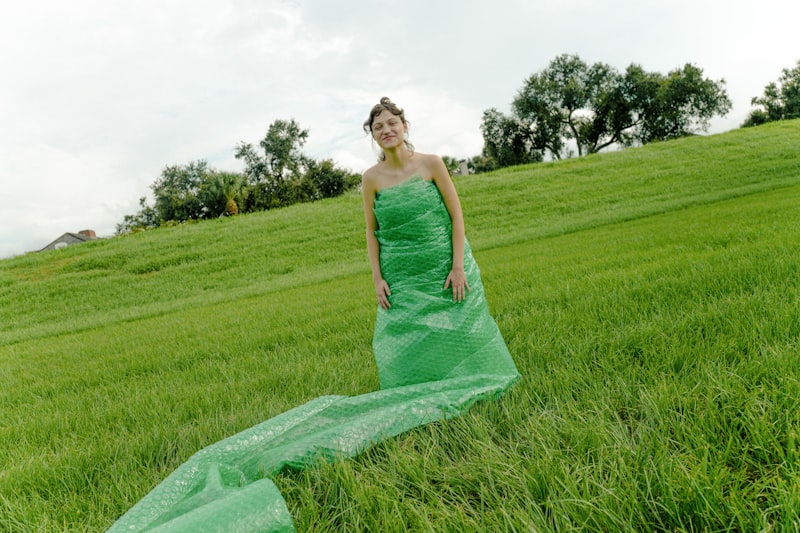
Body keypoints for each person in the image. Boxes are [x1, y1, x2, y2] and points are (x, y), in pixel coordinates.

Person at [361, 97, 519, 389]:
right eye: (378, 127)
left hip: (445, 265)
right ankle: (419, 389)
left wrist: (458, 267)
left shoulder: (431, 164)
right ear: (373, 135)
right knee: (407, 338)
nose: (386, 130)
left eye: (392, 123)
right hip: (401, 276)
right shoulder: (370, 179)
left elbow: (456, 216)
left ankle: (473, 384)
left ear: (405, 126)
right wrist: (377, 277)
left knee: (462, 328)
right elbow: (372, 231)